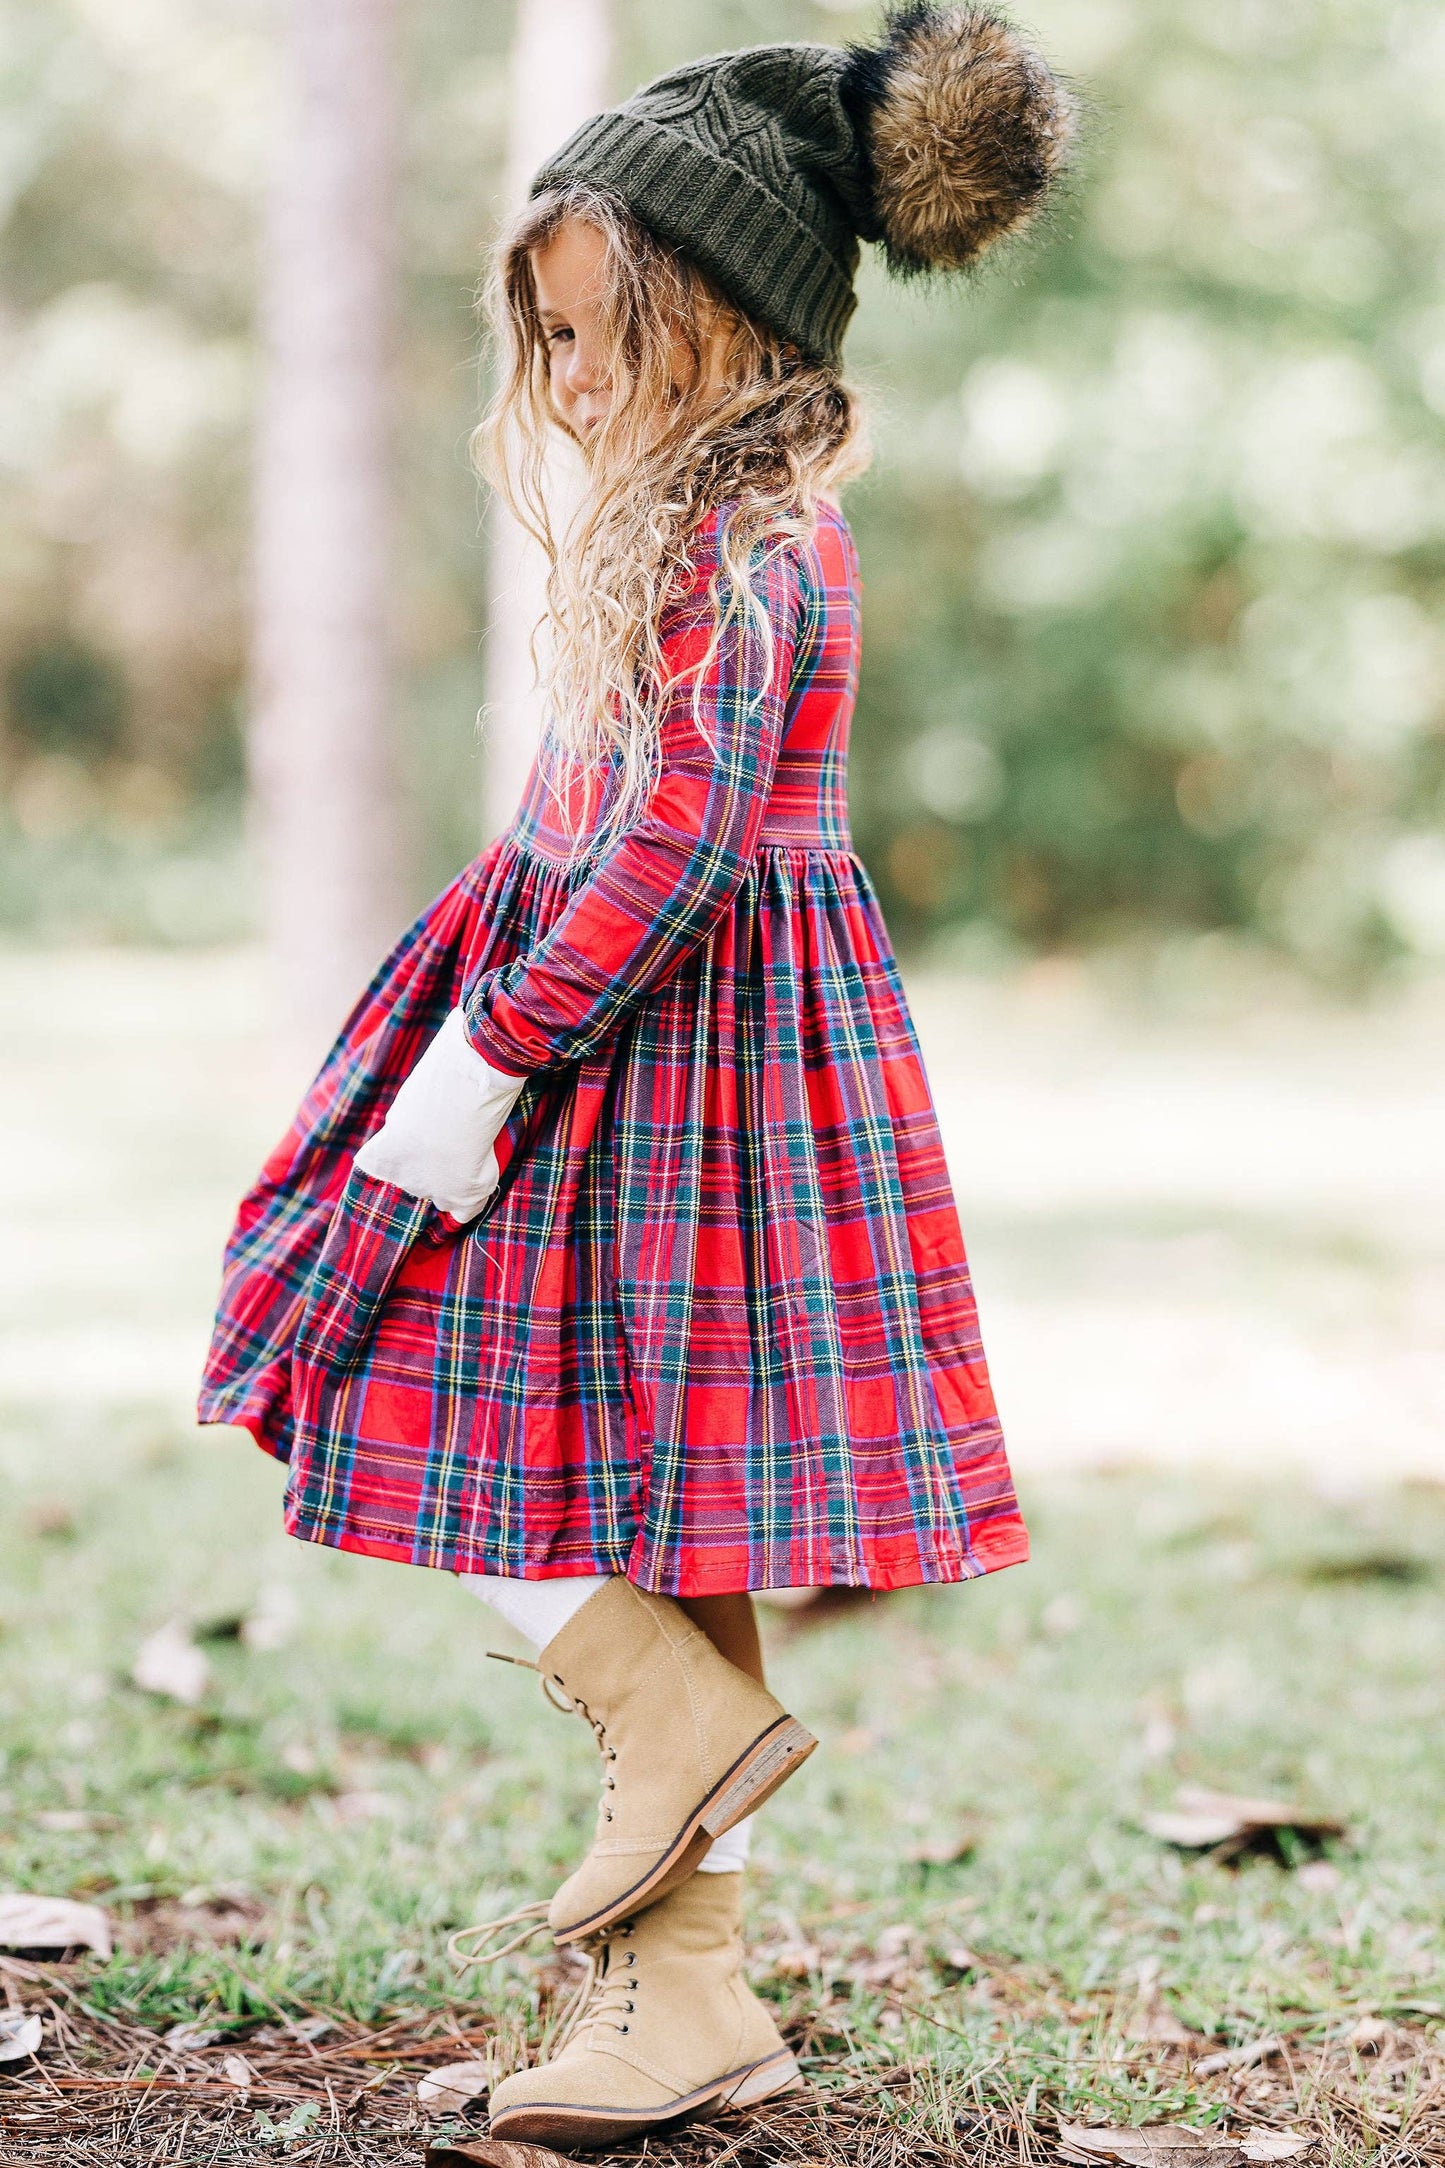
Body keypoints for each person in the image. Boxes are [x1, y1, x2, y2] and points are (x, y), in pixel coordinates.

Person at [200, 2, 1073, 2145]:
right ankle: (685, 1980)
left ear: (740, 328)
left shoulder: (740, 543)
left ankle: (666, 1726)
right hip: (646, 1050)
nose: (570, 385)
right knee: (655, 1497)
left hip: (656, 1063)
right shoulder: (698, 536)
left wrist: (482, 1059)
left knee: (357, 1337)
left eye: (608, 337)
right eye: (552, 342)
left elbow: (675, 851)